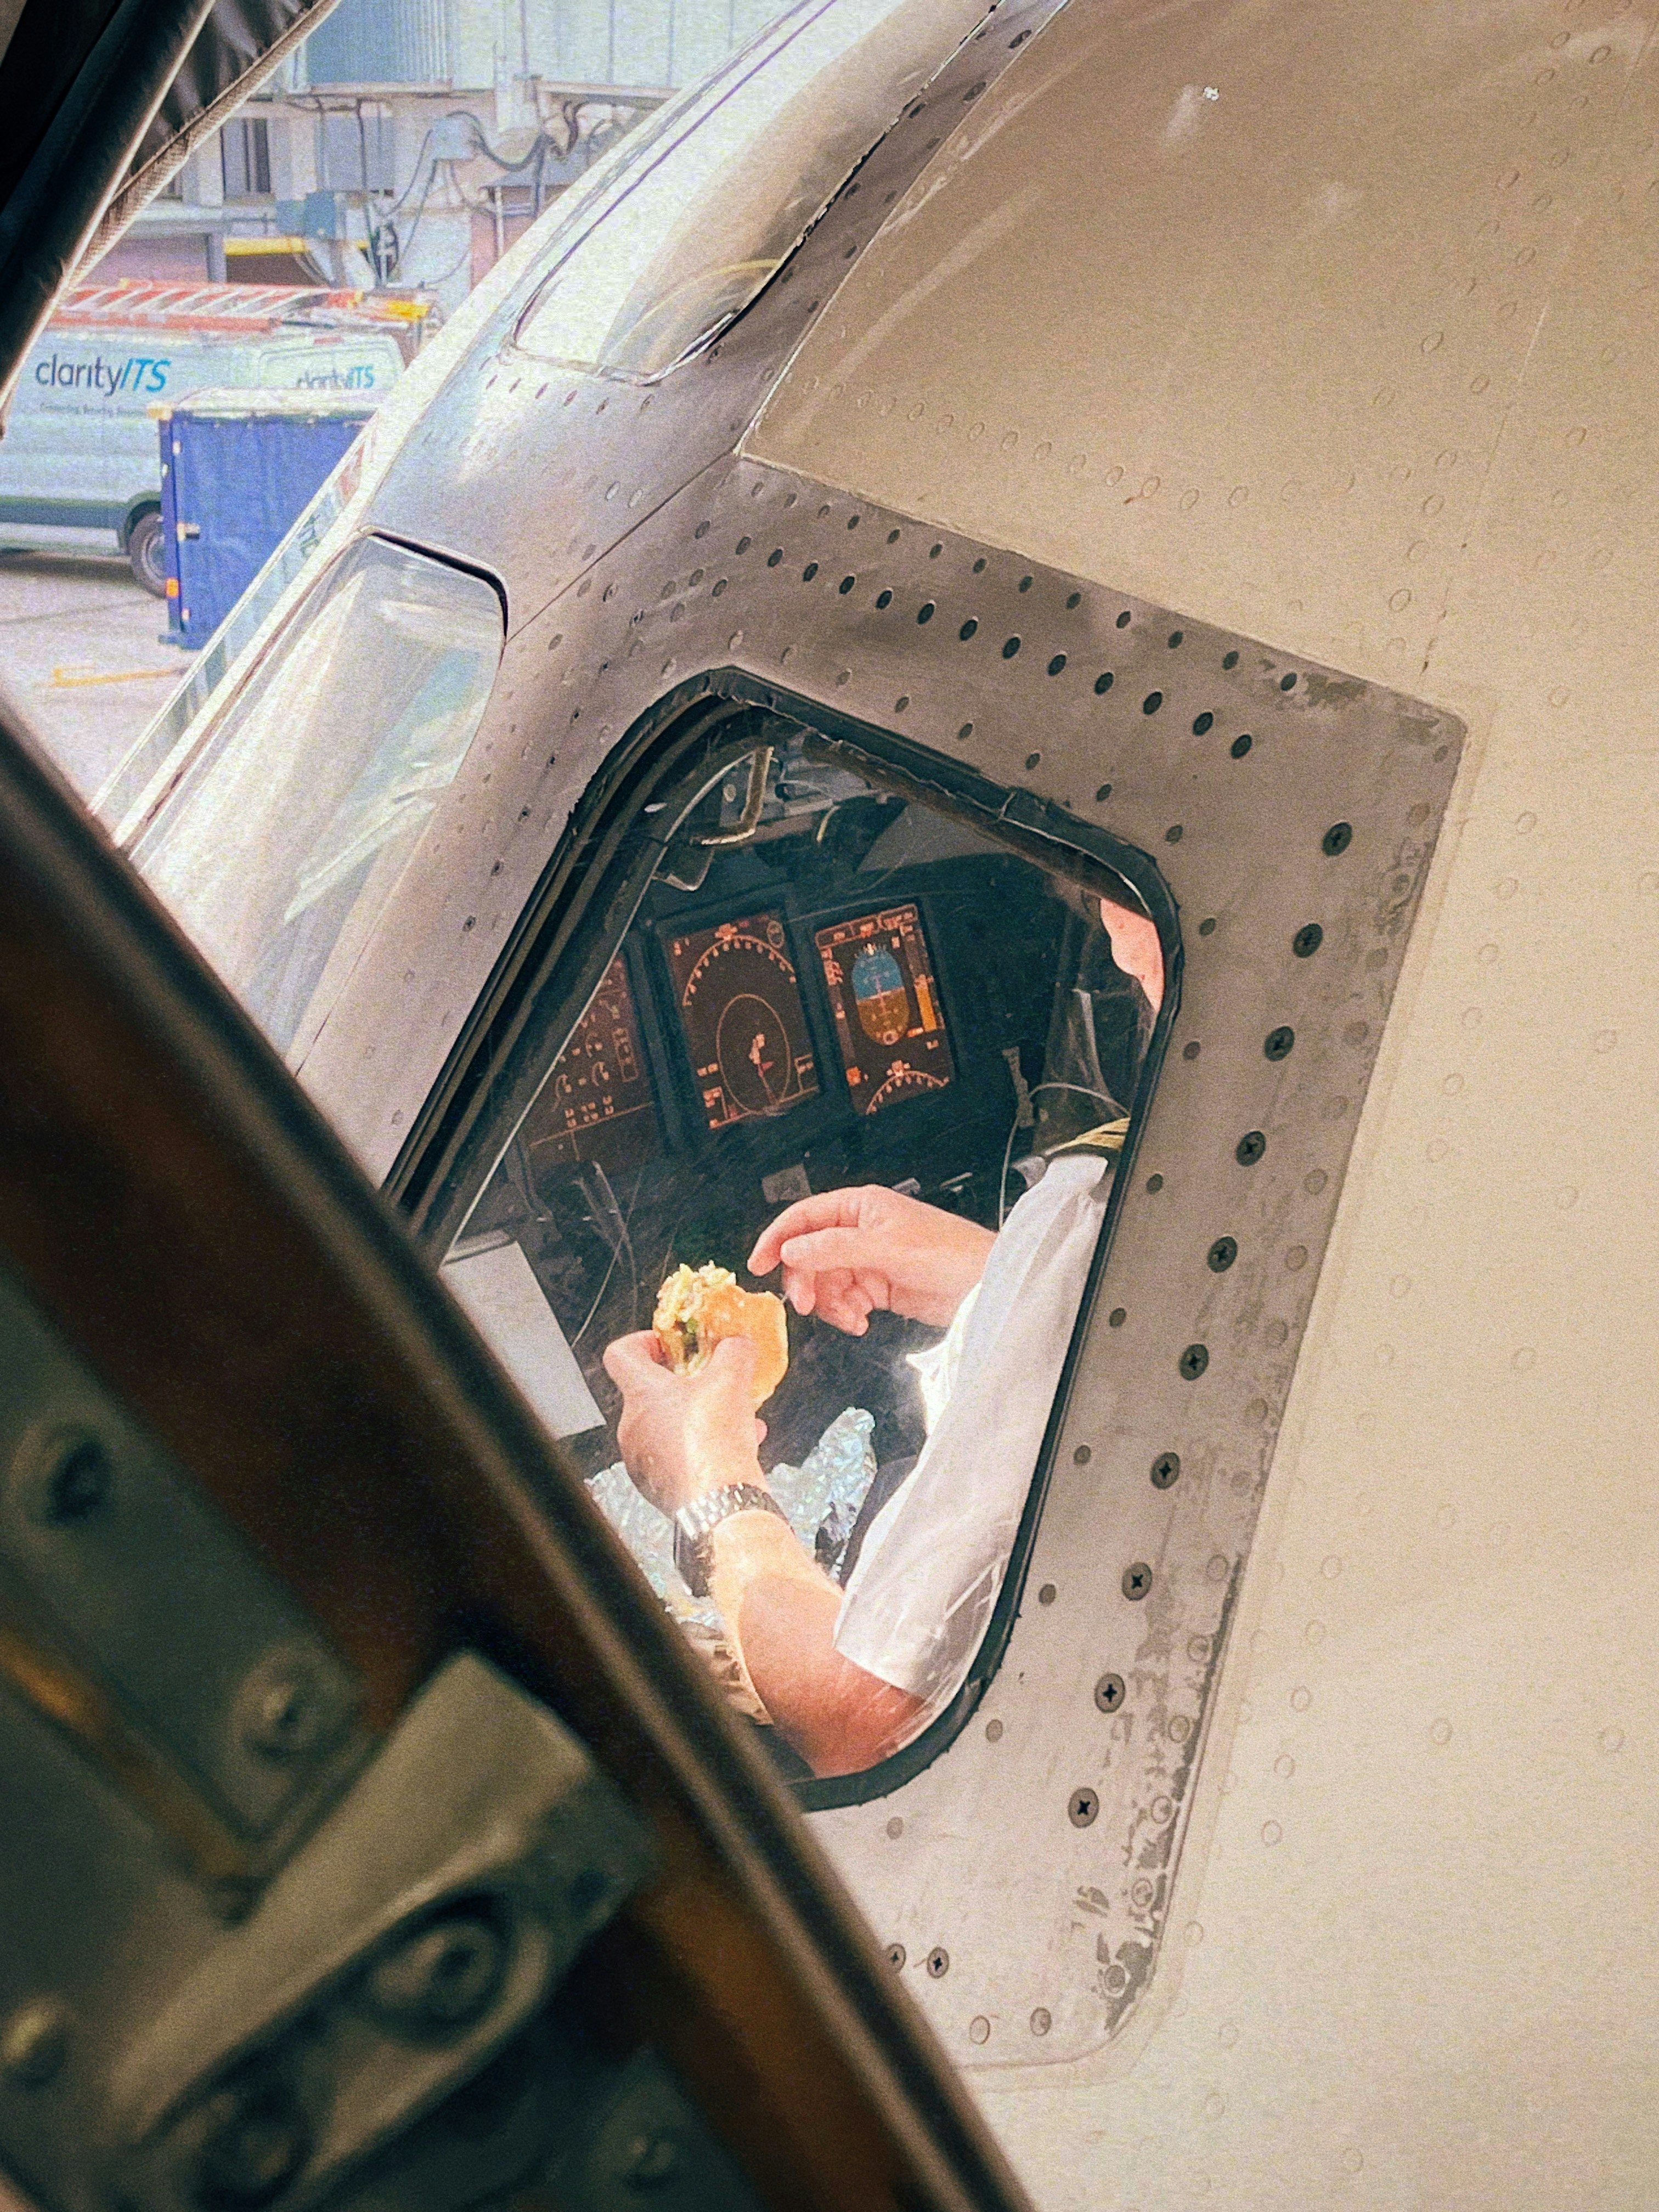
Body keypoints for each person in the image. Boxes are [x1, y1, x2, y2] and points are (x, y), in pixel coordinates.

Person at [602, 893, 1164, 1776]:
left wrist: (703, 1481)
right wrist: (1002, 1278)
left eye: (1112, 906)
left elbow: (865, 1720)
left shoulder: (1093, 1206)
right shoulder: (1141, 1189)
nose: (1118, 940)